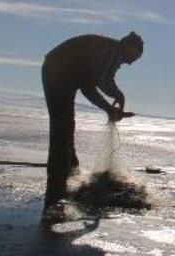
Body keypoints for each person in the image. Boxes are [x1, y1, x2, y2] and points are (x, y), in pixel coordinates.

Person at [41, 32, 144, 214]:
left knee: (65, 127)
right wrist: (119, 96)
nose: (128, 63)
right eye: (132, 58)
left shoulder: (101, 55)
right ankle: (56, 192)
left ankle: (70, 178)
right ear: (128, 47)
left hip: (57, 70)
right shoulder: (113, 51)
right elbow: (104, 81)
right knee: (61, 130)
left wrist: (109, 108)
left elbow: (88, 88)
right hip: (57, 71)